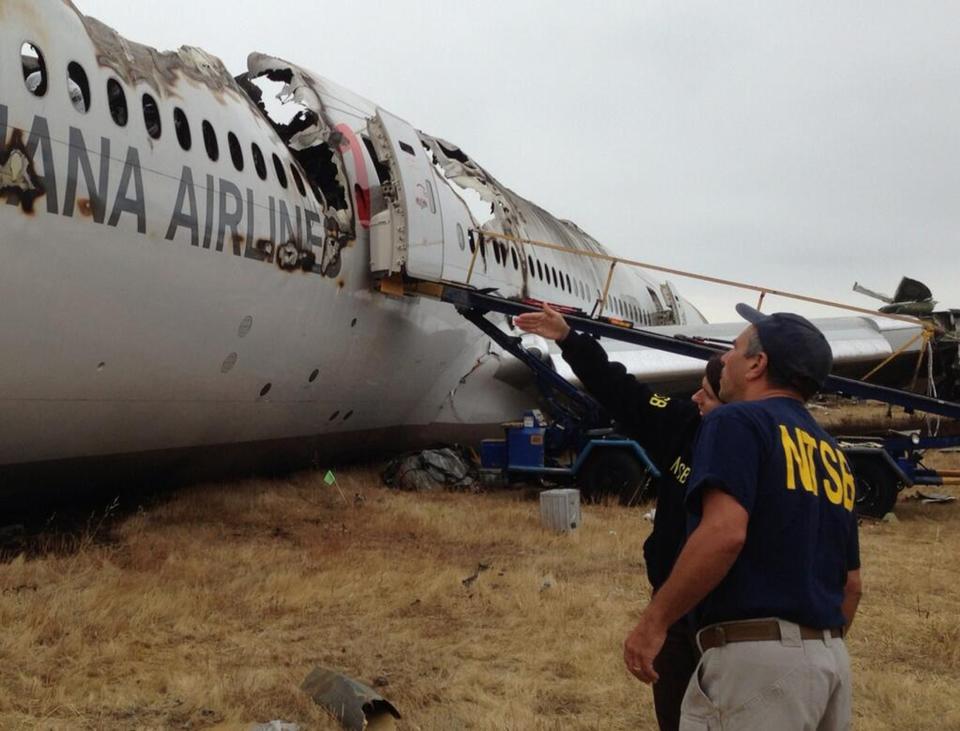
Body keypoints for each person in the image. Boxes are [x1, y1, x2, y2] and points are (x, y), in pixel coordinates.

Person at [623, 304, 862, 731]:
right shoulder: (830, 451)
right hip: (830, 662)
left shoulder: (737, 421)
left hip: (758, 665)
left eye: (733, 349)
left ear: (757, 363)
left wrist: (654, 623)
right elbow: (852, 584)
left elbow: (724, 533)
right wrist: (810, 654)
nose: (726, 359)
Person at [514, 303, 723, 731]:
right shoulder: (685, 424)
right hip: (676, 613)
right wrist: (569, 338)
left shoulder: (757, 449)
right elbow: (622, 391)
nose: (697, 396)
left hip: (729, 619)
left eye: (709, 393)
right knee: (678, 717)